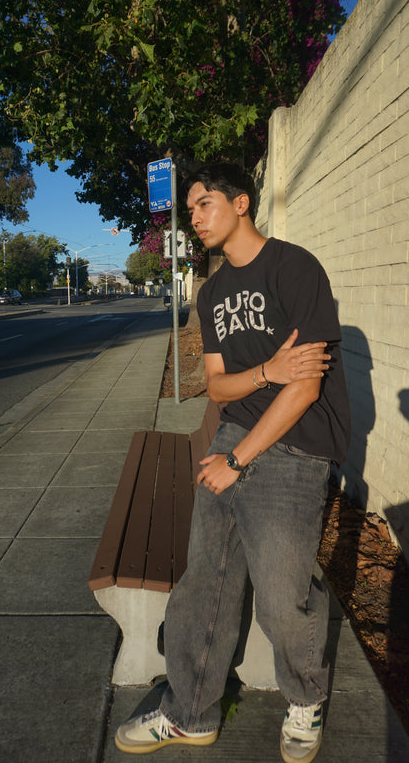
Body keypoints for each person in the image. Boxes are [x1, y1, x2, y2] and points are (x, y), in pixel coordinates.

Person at [115, 162, 351, 763]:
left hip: (296, 448)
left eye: (204, 204)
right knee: (203, 583)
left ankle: (305, 699)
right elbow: (217, 388)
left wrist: (239, 459)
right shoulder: (211, 291)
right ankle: (190, 712)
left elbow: (306, 388)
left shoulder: (294, 268)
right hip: (236, 438)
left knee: (281, 592)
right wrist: (267, 371)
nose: (193, 219)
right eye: (188, 211)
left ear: (241, 202)